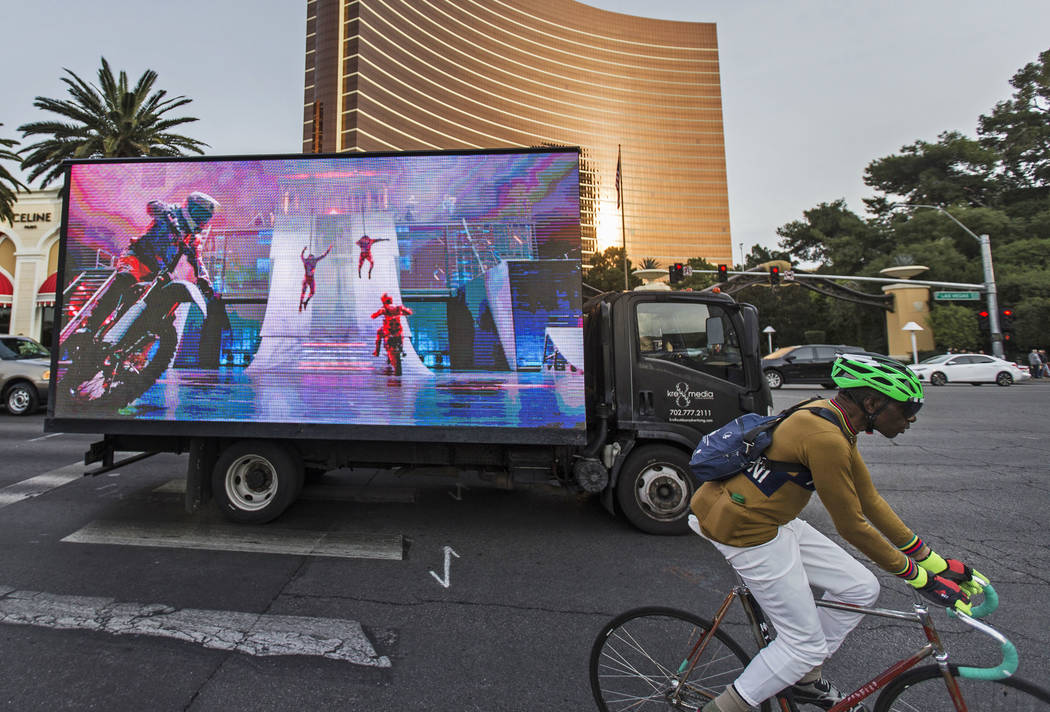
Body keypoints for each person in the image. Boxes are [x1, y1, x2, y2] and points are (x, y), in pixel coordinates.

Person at [691, 354, 984, 712]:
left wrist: (934, 562)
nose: (911, 419)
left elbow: (869, 499)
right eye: (907, 410)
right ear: (873, 403)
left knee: (860, 588)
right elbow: (852, 525)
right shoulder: (825, 436)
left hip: (769, 517)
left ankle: (801, 675)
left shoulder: (834, 417)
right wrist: (920, 579)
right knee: (803, 645)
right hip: (745, 529)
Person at [81, 192, 220, 335]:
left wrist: (205, 281)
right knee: (123, 280)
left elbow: (197, 260)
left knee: (161, 305)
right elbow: (153, 206)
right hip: (137, 258)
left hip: (156, 270)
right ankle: (90, 326)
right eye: (200, 214)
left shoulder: (192, 238)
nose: (201, 220)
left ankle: (134, 342)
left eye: (205, 217)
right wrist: (163, 211)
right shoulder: (172, 212)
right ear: (190, 208)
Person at [298, 244, 332, 312]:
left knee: (310, 292)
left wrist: (303, 250)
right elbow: (323, 255)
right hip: (308, 278)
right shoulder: (309, 260)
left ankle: (305, 302)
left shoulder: (312, 260)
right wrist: (303, 250)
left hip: (310, 279)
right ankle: (301, 304)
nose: (311, 259)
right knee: (304, 292)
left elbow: (323, 256)